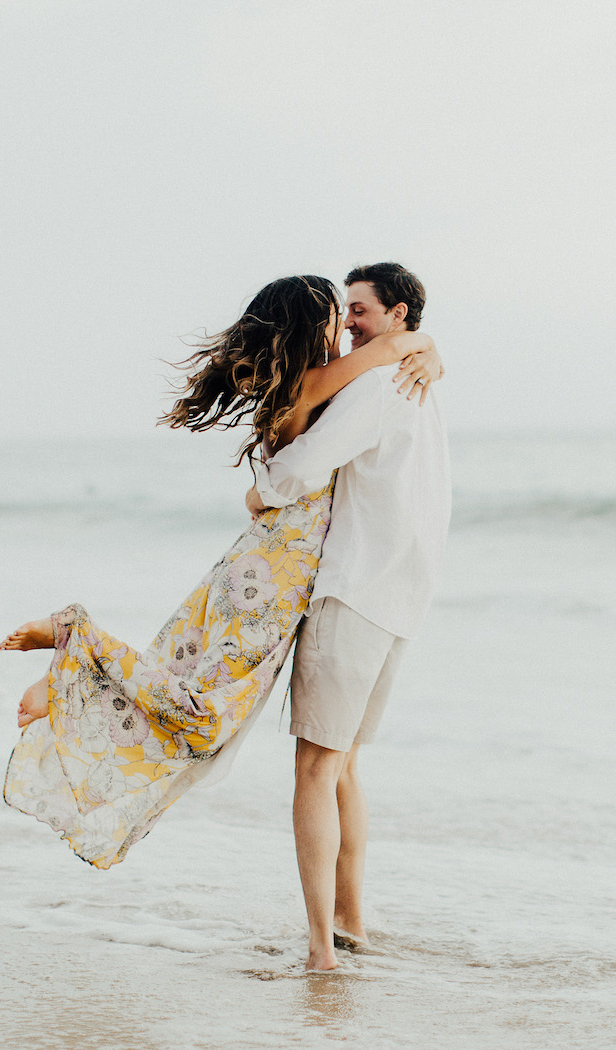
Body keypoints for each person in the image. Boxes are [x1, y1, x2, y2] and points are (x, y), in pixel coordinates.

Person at [0, 274, 443, 871]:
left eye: (355, 313)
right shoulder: (318, 383)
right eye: (341, 316)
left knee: (186, 678)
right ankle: (74, 637)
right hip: (273, 577)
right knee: (205, 710)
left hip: (263, 568)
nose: (349, 327)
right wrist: (417, 344)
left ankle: (70, 680)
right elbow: (389, 351)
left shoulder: (310, 385)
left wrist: (426, 349)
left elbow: (390, 356)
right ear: (314, 329)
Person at [247, 262, 452, 971]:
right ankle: (349, 921)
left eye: (361, 311)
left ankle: (318, 952)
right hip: (399, 599)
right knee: (341, 767)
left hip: (354, 593)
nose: (351, 324)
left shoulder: (378, 383)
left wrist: (262, 487)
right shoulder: (422, 386)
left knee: (312, 768)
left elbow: (299, 471)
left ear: (397, 315)